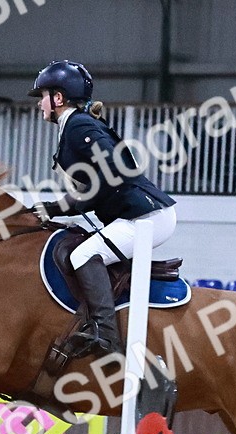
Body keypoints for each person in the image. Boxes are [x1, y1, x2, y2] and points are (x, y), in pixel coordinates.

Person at [29, 59, 177, 356]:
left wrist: (55, 208)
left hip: (147, 216)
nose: (40, 104)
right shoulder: (72, 126)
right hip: (136, 214)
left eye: (43, 96)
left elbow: (111, 174)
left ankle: (105, 336)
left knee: (83, 254)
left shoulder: (78, 125)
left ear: (58, 98)